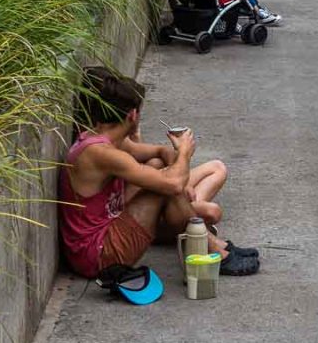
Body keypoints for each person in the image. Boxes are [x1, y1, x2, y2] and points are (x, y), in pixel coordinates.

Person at [59, 66, 261, 279]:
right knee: (164, 188)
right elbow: (172, 184)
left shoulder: (104, 139)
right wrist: (184, 152)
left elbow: (158, 152)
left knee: (158, 168)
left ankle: (214, 246)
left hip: (101, 237)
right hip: (97, 256)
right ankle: (216, 251)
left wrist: (173, 158)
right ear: (133, 115)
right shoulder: (100, 152)